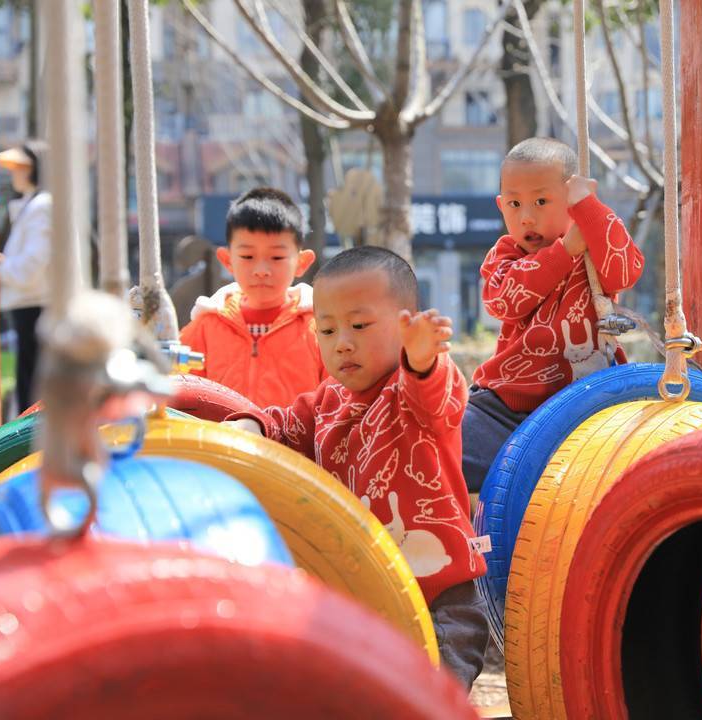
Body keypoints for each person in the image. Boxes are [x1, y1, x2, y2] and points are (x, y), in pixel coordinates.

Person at [225, 246, 489, 690]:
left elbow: (433, 391)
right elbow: (283, 426)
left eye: (360, 325)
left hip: (437, 601)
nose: (342, 341)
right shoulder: (328, 401)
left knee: (427, 701)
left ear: (406, 325)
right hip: (360, 597)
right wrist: (250, 426)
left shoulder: (413, 393)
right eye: (326, 330)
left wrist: (422, 358)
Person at [461, 137, 645, 492]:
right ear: (501, 206)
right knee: (452, 447)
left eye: (541, 201)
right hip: (507, 405)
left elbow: (627, 270)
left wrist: (590, 211)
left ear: (570, 202)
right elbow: (504, 301)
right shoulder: (504, 255)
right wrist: (564, 249)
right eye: (514, 204)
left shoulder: (593, 251)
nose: (526, 216)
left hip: (588, 400)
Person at [180, 187, 326, 408]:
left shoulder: (321, 329)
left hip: (292, 443)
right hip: (224, 442)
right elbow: (183, 397)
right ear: (227, 260)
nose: (261, 269)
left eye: (276, 257)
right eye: (247, 256)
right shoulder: (205, 328)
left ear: (301, 262)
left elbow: (336, 402)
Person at [0, 144, 52, 414]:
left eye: (22, 168)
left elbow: (32, 264)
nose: (16, 175)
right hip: (29, 301)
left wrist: (2, 268)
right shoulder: (33, 204)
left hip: (35, 302)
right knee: (28, 380)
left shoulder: (41, 206)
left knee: (32, 383)